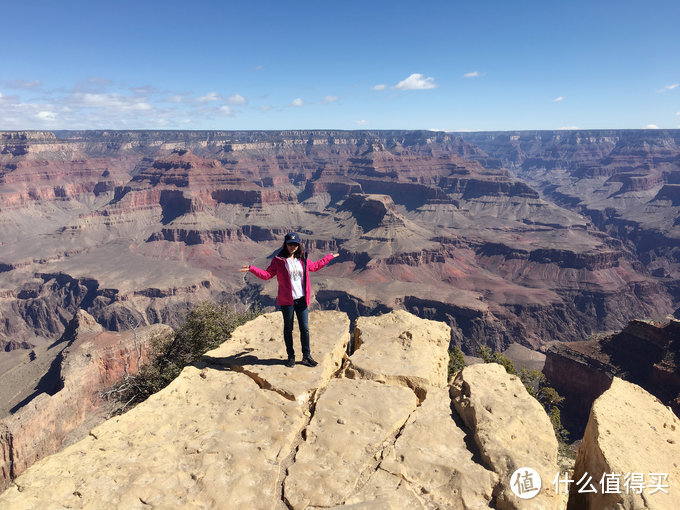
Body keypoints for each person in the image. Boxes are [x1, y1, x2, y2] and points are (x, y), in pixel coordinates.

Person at [239, 232, 339, 368]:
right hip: (287, 301)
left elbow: (314, 267)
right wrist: (252, 269)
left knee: (305, 328)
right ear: (285, 244)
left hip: (302, 299)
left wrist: (328, 258)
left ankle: (306, 356)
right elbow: (267, 275)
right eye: (290, 244)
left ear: (299, 245)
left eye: (295, 244)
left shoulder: (302, 258)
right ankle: (290, 357)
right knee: (288, 329)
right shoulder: (278, 260)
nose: (292, 247)